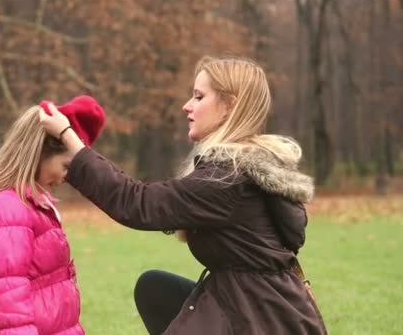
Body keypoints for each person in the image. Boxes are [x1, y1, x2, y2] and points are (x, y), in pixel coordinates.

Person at [39, 56, 327, 334]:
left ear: (229, 105)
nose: (187, 106)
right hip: (264, 309)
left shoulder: (227, 180)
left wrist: (69, 137)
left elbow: (137, 203)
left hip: (260, 321)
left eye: (199, 97)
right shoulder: (237, 172)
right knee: (155, 290)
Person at [0, 96, 105, 335]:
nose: (69, 176)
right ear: (39, 153)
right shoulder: (6, 206)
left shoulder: (33, 202)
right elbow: (9, 290)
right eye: (66, 166)